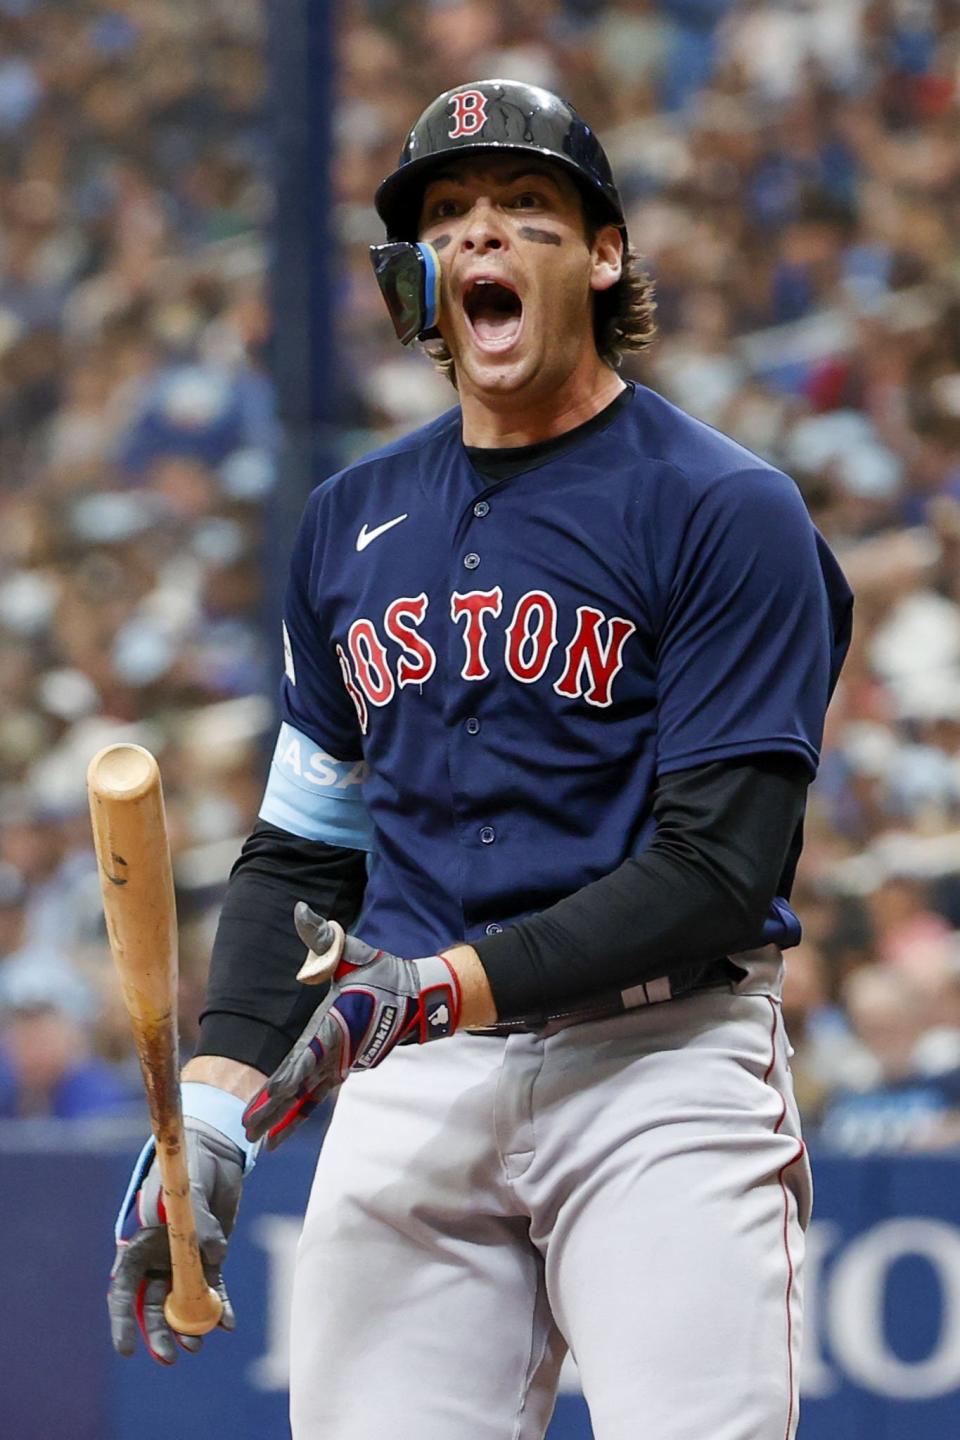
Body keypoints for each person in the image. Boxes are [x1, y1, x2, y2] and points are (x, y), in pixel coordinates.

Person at [108, 80, 853, 1440]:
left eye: (526, 208)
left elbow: (716, 869)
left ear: (606, 255)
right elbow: (305, 847)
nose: (479, 237)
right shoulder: (349, 522)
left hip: (659, 1063)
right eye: (446, 217)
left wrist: (431, 991)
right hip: (417, 1082)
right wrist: (214, 1106)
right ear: (414, 277)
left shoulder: (725, 507)